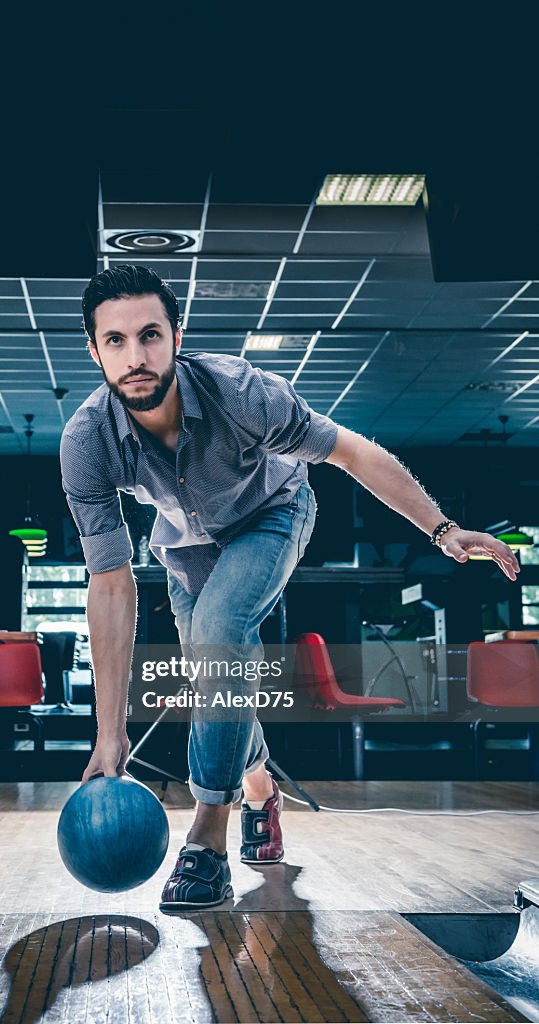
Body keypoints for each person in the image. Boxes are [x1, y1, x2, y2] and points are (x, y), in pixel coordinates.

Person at [60, 264, 520, 911]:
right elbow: (108, 586)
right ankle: (258, 789)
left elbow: (352, 453)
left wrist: (441, 528)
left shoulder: (240, 392)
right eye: (115, 340)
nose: (135, 356)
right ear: (94, 348)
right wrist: (108, 735)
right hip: (186, 550)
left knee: (221, 636)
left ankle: (206, 841)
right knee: (216, 678)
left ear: (175, 335)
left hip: (271, 516)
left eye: (150, 335)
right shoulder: (86, 441)